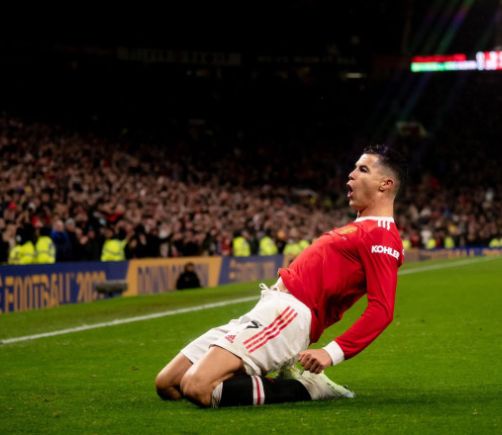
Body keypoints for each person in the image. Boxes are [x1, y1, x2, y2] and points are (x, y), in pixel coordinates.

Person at [155, 145, 406, 408]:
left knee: (198, 386)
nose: (351, 175)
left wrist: (331, 353)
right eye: (354, 168)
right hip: (267, 310)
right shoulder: (359, 228)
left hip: (289, 316)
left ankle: (307, 387)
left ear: (385, 184)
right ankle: (260, 373)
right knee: (168, 383)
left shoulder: (382, 236)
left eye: (363, 169)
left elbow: (382, 310)